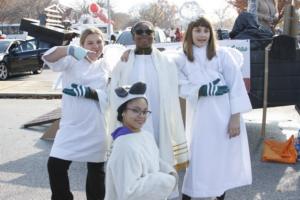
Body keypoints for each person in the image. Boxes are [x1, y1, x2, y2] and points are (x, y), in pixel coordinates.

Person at [175, 17, 252, 200]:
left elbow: (236, 85)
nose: (202, 35)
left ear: (211, 33)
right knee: (197, 159)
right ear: (189, 33)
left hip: (223, 116)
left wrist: (235, 118)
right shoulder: (182, 57)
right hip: (200, 117)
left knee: (221, 159)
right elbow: (177, 83)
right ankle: (190, 195)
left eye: (206, 30)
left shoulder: (223, 54)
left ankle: (219, 196)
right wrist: (199, 89)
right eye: (197, 30)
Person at [109, 21, 188, 172]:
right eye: (139, 32)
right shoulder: (123, 62)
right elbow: (113, 92)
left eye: (148, 32)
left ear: (154, 36)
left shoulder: (167, 62)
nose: (144, 34)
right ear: (133, 36)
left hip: (159, 118)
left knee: (159, 157)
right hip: (131, 121)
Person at [42, 27, 109, 200]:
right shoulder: (71, 60)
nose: (95, 46)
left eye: (99, 41)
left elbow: (112, 96)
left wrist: (90, 93)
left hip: (96, 125)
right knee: (55, 166)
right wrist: (69, 50)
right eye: (90, 42)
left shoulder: (106, 65)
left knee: (96, 172)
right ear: (82, 45)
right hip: (71, 126)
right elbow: (48, 57)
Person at [105, 82, 178, 200]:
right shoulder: (124, 147)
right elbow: (129, 192)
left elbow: (152, 160)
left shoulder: (146, 135)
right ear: (123, 112)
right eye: (135, 110)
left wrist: (169, 171)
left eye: (144, 112)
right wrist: (166, 181)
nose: (141, 116)